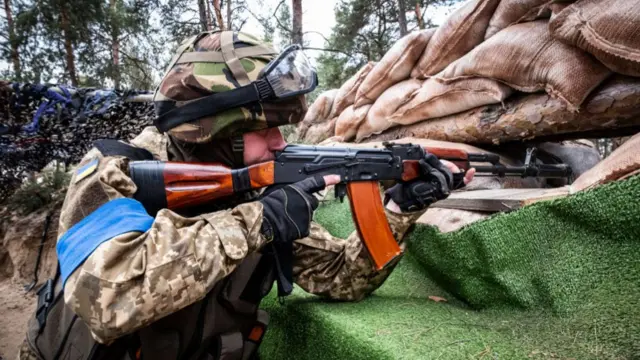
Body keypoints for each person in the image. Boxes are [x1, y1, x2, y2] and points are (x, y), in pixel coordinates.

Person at [18, 30, 474, 360]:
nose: (280, 141)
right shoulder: (115, 173)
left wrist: (398, 207)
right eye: (265, 127)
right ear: (220, 130)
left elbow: (339, 278)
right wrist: (259, 220)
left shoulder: (251, 181)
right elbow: (108, 299)